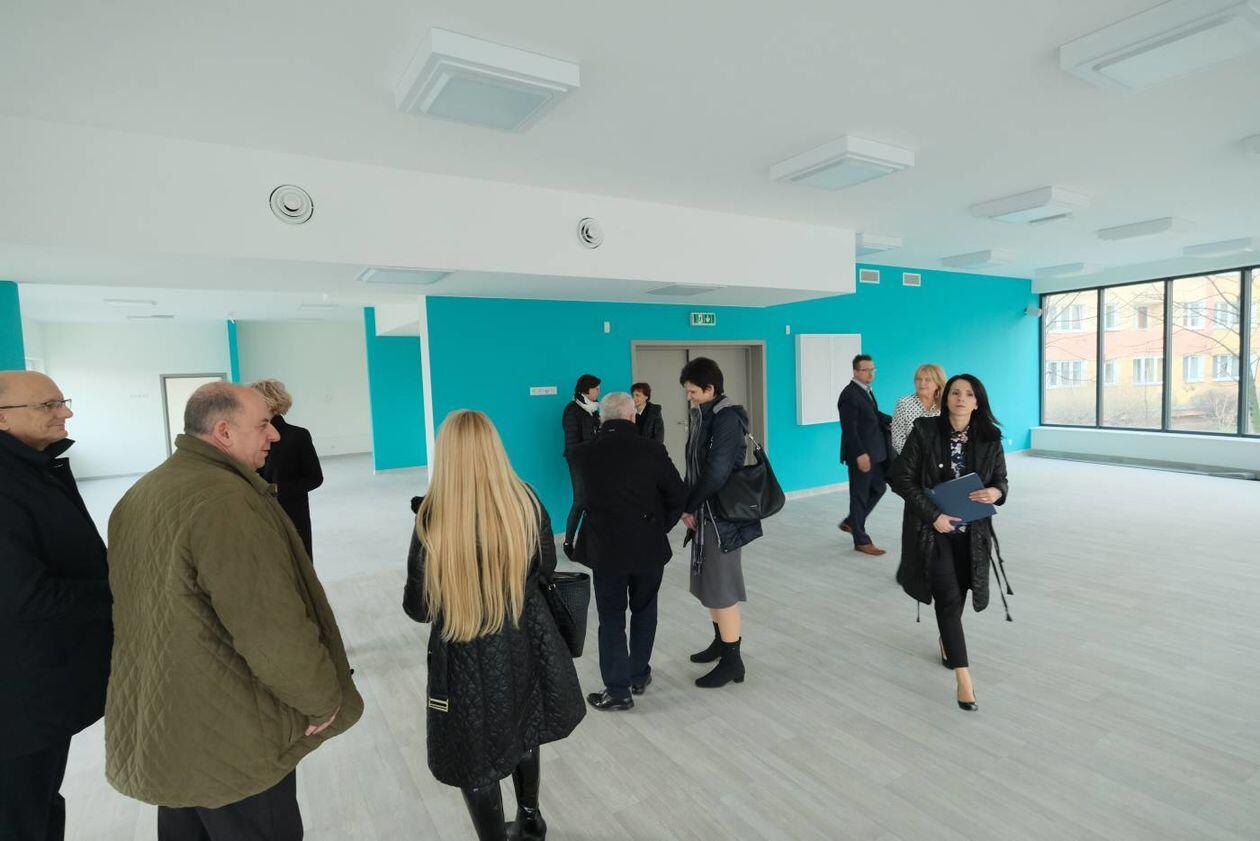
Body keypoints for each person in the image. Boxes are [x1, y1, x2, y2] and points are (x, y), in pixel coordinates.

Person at [105, 382, 363, 841]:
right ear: (223, 431)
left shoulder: (144, 491)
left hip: (169, 720)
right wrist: (322, 699)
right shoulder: (227, 503)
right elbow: (270, 629)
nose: (275, 435)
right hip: (232, 732)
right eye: (263, 425)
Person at [404, 410, 584, 841]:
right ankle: (530, 818)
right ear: (494, 448)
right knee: (525, 726)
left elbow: (419, 608)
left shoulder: (433, 517)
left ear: (447, 455)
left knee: (474, 755)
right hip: (527, 638)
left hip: (465, 651)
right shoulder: (526, 500)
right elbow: (545, 568)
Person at [0, 372, 112, 841]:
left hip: (39, 692)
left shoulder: (32, 469)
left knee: (42, 800)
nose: (65, 412)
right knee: (20, 815)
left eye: (61, 401)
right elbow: (25, 596)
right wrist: (121, 590)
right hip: (18, 701)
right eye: (48, 405)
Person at [887, 374, 1009, 713]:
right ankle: (964, 678)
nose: (961, 398)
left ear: (977, 402)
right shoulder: (925, 431)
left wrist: (995, 492)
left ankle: (947, 639)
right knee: (948, 597)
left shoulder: (989, 438)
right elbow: (900, 478)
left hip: (972, 534)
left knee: (959, 596)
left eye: (968, 394)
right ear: (946, 398)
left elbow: (1001, 481)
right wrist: (934, 516)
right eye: (955, 392)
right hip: (934, 532)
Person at [571, 392, 686, 711]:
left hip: (605, 549)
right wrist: (658, 526)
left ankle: (617, 691)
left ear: (601, 418)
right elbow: (678, 495)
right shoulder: (652, 450)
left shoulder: (581, 454)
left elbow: (582, 500)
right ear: (633, 417)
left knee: (611, 617)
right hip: (647, 546)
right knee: (645, 609)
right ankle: (638, 675)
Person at [679, 357, 761, 689]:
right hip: (707, 513)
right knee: (710, 584)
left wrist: (689, 505)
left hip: (721, 517)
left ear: (711, 389)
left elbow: (716, 472)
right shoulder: (705, 414)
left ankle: (732, 661)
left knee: (722, 588)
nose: (689, 397)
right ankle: (720, 642)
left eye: (693, 391)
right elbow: (696, 467)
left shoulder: (726, 419)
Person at [251, 378, 324, 560]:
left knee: (298, 563)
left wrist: (277, 489)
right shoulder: (249, 437)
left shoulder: (298, 436)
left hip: (292, 513)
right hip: (258, 514)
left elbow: (315, 478)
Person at [837, 354, 892, 556]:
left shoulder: (866, 390)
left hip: (874, 453)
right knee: (859, 496)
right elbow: (849, 429)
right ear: (855, 371)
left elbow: (874, 415)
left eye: (872, 369)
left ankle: (852, 522)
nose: (870, 373)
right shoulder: (849, 395)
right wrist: (860, 454)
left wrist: (893, 420)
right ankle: (861, 541)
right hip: (861, 455)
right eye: (865, 370)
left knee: (879, 488)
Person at [561, 373, 601, 556]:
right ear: (586, 389)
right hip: (578, 462)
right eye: (596, 388)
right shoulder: (571, 410)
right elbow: (572, 445)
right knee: (580, 501)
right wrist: (593, 445)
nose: (598, 391)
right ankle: (568, 543)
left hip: (595, 461)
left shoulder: (594, 408)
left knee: (595, 500)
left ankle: (591, 541)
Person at [890, 363, 946, 456]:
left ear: (938, 383)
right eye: (918, 379)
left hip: (941, 459)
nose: (922, 383)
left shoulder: (946, 405)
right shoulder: (904, 403)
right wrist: (915, 458)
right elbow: (897, 439)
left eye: (927, 380)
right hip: (911, 459)